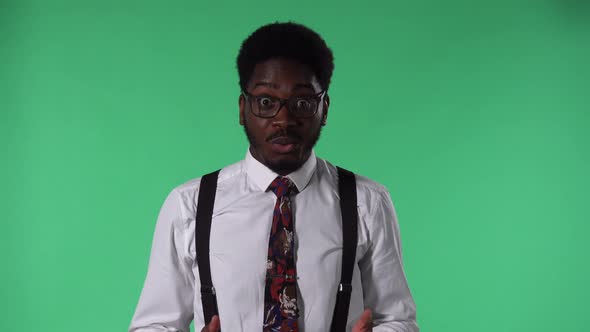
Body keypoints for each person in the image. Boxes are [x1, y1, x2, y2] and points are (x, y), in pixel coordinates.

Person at [129, 22, 418, 332]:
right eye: (266, 102)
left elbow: (397, 319)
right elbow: (153, 325)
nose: (284, 119)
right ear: (243, 108)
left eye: (303, 103)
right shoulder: (189, 205)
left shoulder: (367, 201)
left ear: (325, 108)